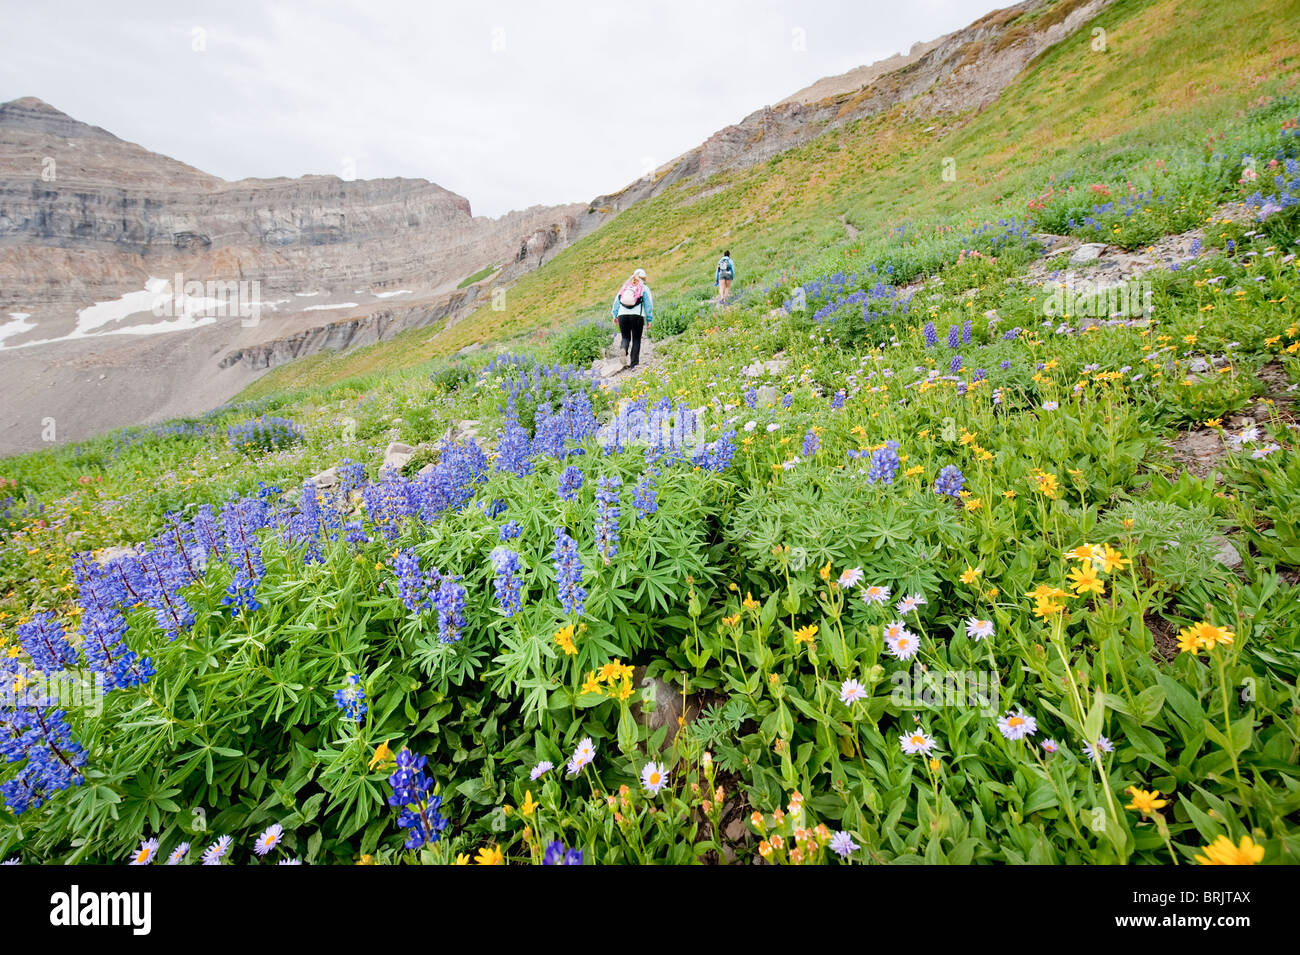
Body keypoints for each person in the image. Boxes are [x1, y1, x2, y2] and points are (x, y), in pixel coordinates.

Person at [611, 268, 653, 368]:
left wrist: (615, 315)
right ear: (644, 278)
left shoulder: (626, 286)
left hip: (622, 315)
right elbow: (648, 305)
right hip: (637, 316)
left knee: (625, 337)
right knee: (636, 339)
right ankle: (634, 364)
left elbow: (617, 301)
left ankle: (623, 349)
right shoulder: (644, 288)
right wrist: (649, 319)